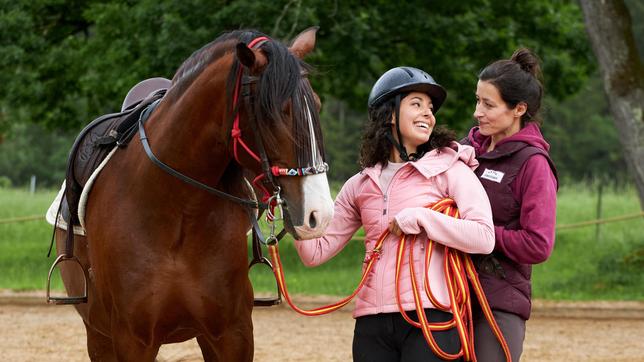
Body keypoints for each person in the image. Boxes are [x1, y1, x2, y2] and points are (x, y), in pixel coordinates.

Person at [295, 66, 495, 362]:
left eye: (430, 108)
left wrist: (424, 218)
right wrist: (293, 209)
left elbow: (484, 236)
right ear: (389, 114)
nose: (428, 114)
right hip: (371, 321)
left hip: (431, 316)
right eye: (416, 104)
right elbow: (315, 252)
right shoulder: (360, 184)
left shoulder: (452, 169)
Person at [463, 48, 558, 361]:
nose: (478, 111)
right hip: (448, 294)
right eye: (478, 100)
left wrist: (478, 234)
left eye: (489, 104)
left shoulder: (534, 165)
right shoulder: (464, 152)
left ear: (519, 109)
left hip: (498, 301)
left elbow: (538, 244)